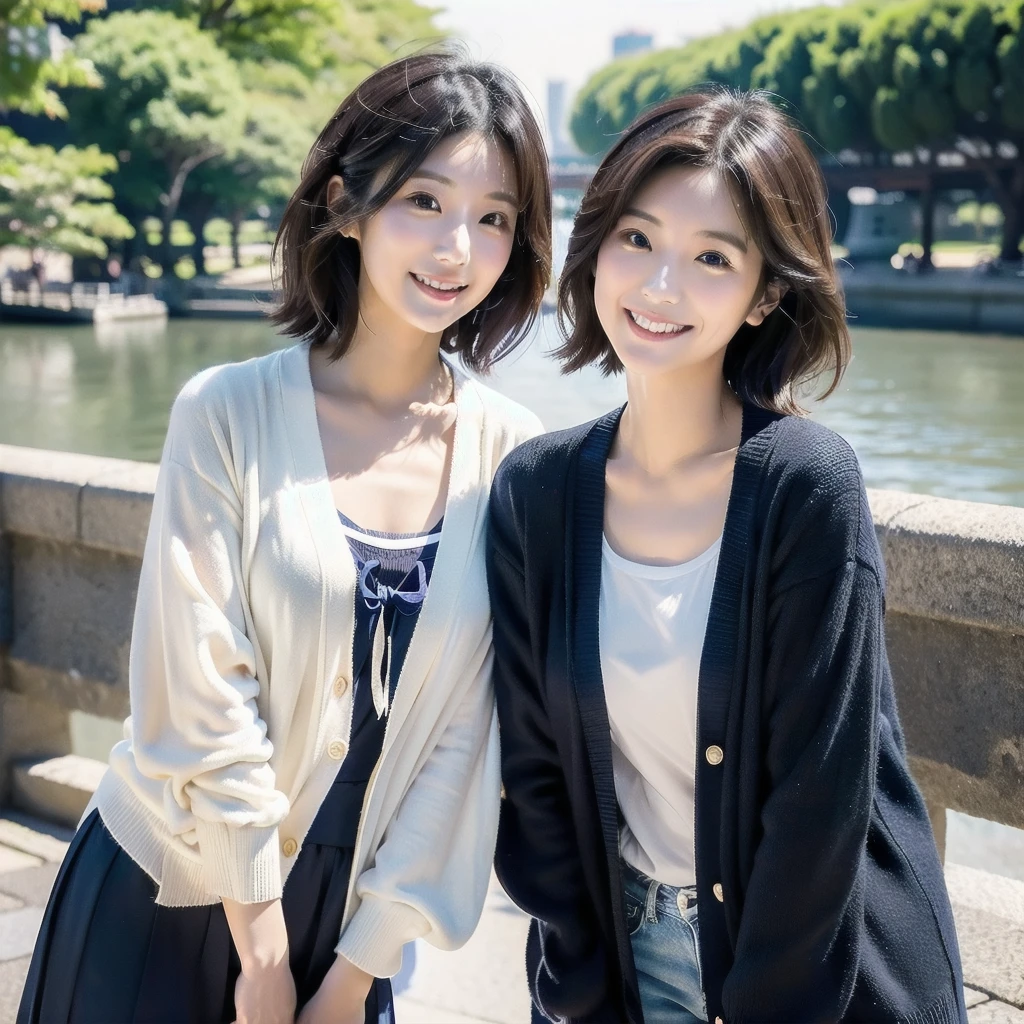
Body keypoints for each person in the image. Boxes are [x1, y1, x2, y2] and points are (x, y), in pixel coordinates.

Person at [19, 48, 551, 1024]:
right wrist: (260, 955)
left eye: (493, 218)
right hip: (163, 892)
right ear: (347, 205)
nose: (456, 248)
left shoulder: (516, 458)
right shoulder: (224, 412)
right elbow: (198, 686)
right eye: (424, 201)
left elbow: (468, 742)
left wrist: (354, 975)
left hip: (349, 940)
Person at [487, 91, 966, 1024]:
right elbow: (534, 777)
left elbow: (818, 803)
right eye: (637, 239)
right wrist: (583, 976)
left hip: (818, 974)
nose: (660, 286)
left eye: (712, 258)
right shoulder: (534, 494)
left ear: (766, 295)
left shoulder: (804, 485)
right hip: (620, 963)